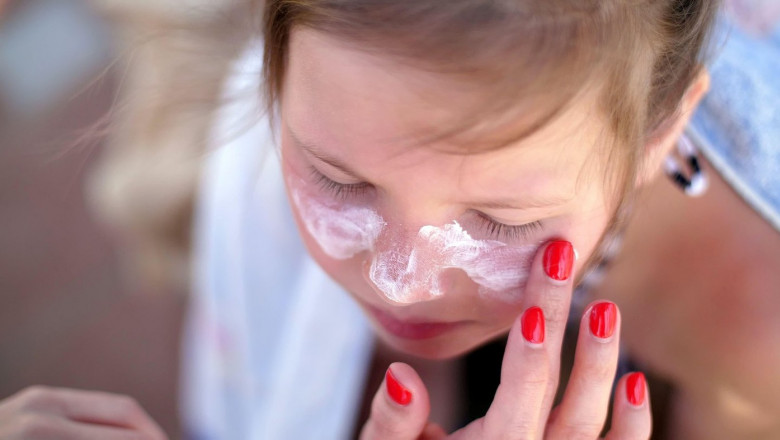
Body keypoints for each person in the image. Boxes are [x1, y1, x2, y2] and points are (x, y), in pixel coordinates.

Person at [2, 1, 779, 439]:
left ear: (662, 138)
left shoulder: (753, 330)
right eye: (339, 179)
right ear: (271, 64)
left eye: (502, 221)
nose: (398, 286)